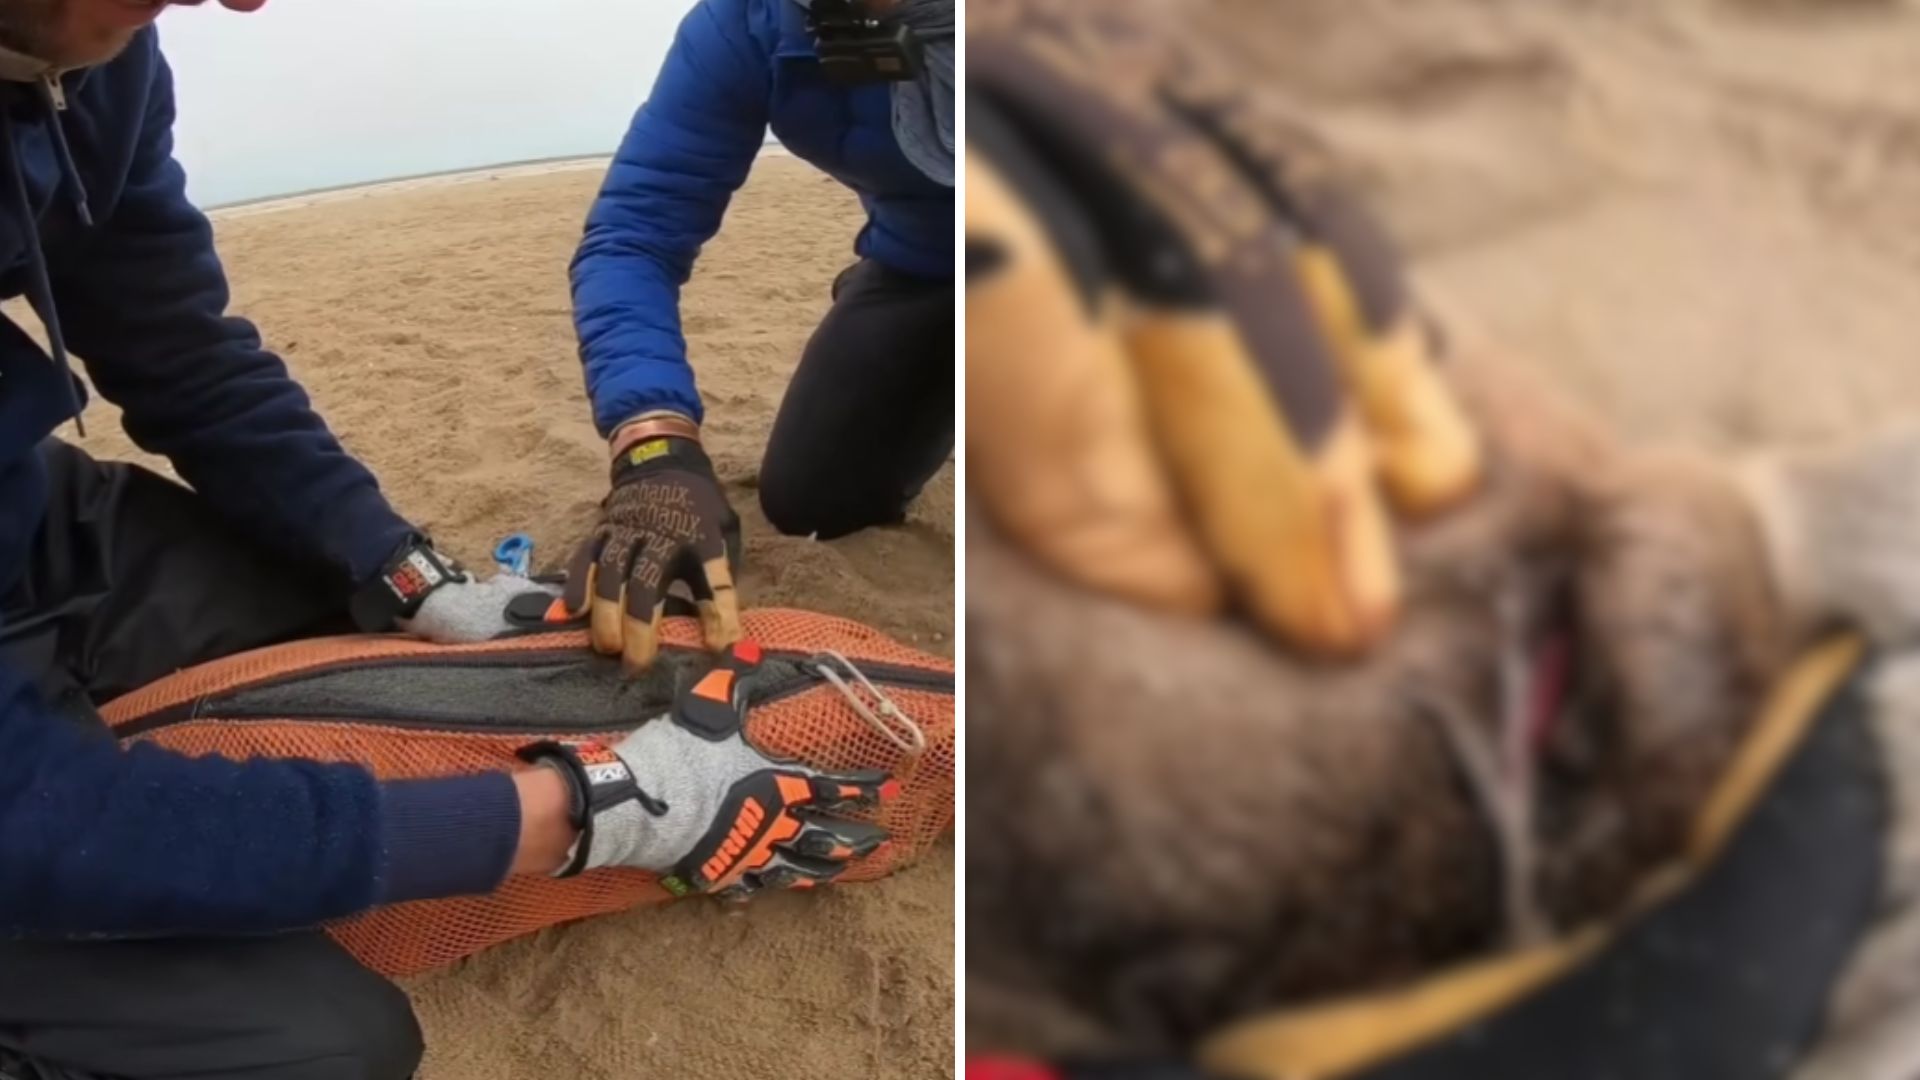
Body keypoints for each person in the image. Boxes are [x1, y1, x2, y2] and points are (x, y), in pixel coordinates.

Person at [0, 3, 888, 1078]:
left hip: (27, 514)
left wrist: (407, 576)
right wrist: (580, 812)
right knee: (328, 1049)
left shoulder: (95, 54)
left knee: (342, 612)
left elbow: (179, 349)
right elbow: (26, 817)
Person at [564, 0, 955, 673]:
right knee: (815, 502)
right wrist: (654, 447)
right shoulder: (747, 24)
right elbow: (634, 235)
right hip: (928, 265)